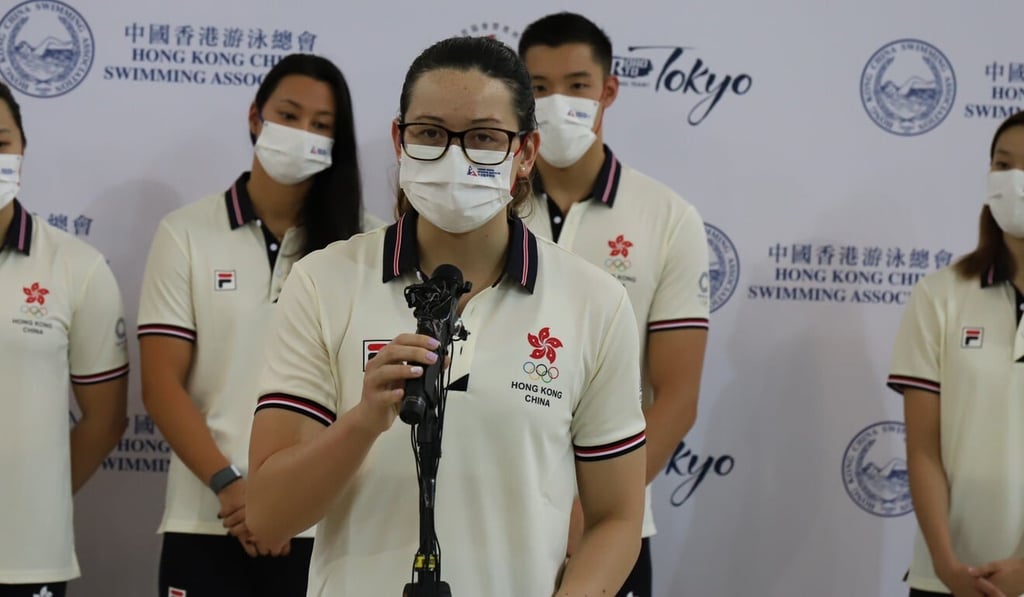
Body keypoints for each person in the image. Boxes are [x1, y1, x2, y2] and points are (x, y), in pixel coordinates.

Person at [245, 36, 647, 596]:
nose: (455, 157)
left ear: (526, 152)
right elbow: (267, 517)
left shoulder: (593, 301)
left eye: (483, 137)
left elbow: (617, 519)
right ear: (399, 140)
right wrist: (363, 421)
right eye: (430, 134)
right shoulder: (322, 282)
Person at [137, 53, 376, 597]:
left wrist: (287, 501)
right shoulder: (186, 233)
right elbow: (161, 384)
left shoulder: (366, 247)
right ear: (255, 117)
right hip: (210, 517)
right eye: (289, 116)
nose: (302, 133)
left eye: (321, 125)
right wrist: (231, 487)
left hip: (326, 525)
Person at [518, 12, 710, 596]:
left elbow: (676, 398)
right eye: (539, 87)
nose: (557, 103)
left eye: (576, 85)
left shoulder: (666, 217)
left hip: (612, 528)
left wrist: (592, 512)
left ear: (608, 90)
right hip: (488, 519)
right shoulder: (484, 203)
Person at [0, 82, 129, 597]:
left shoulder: (77, 267)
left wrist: (37, 497)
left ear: (23, 148)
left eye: (0, 142)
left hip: (26, 558)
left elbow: (105, 420)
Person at [890, 110, 1024, 597]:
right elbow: (923, 448)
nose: (1015, 181)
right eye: (1003, 165)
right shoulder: (939, 295)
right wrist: (948, 568)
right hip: (948, 578)